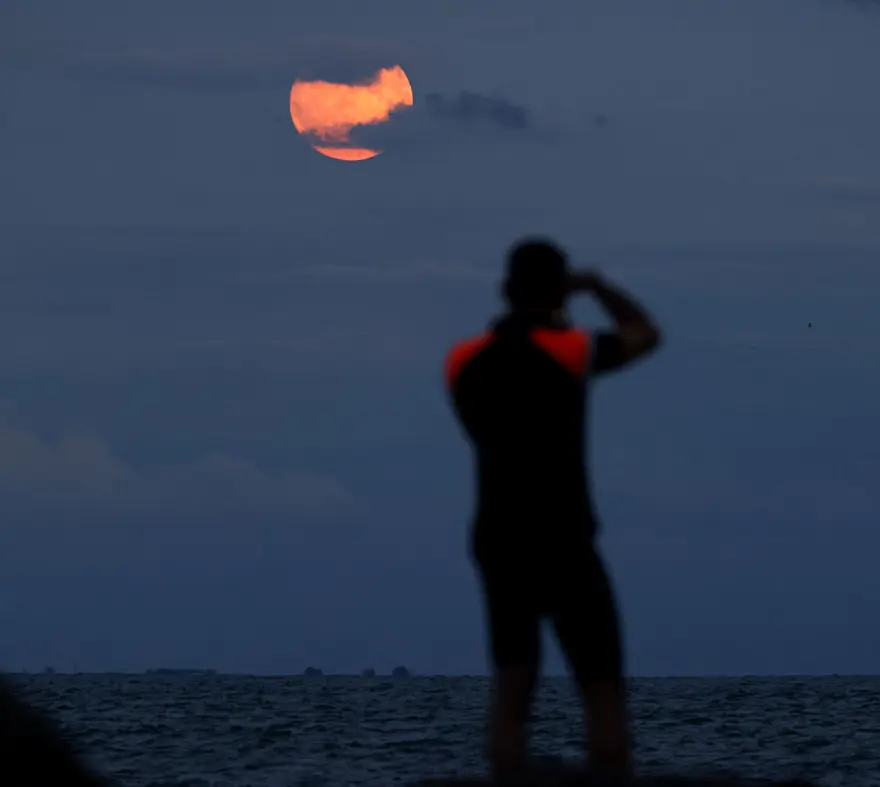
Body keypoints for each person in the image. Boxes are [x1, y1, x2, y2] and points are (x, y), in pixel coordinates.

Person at [444, 238, 663, 781]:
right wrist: (597, 287)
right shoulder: (569, 351)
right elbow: (645, 334)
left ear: (505, 289)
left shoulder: (462, 361)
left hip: (496, 536)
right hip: (562, 534)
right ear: (559, 289)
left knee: (512, 682)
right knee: (601, 687)